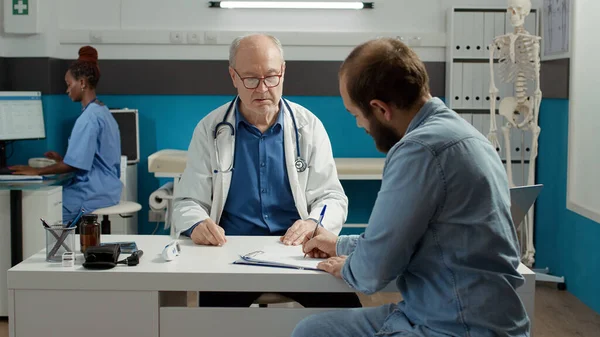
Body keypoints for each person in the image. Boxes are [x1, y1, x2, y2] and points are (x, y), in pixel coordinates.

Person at [292, 38, 530, 336]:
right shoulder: (466, 135)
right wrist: (338, 244)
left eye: (356, 115)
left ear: (380, 109)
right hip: (462, 313)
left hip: (454, 326)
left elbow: (373, 271)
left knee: (312, 333)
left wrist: (348, 266)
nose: (359, 126)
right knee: (316, 329)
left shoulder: (419, 150)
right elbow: (414, 239)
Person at [172, 33, 361, 308]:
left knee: (348, 315)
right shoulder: (210, 129)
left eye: (271, 77)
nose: (262, 89)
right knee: (210, 324)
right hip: (230, 256)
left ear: (283, 72)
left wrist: (312, 223)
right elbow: (188, 201)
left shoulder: (308, 127)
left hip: (298, 253)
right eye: (250, 79)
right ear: (233, 77)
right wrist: (197, 224)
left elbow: (331, 197)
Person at [10, 46, 122, 223]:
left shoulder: (89, 118)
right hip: (108, 189)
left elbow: (74, 166)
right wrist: (63, 160)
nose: (67, 90)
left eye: (69, 85)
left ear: (83, 83)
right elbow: (94, 159)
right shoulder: (102, 111)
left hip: (92, 192)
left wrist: (37, 171)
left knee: (40, 216)